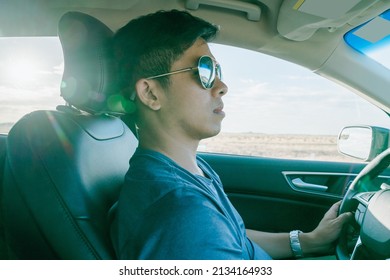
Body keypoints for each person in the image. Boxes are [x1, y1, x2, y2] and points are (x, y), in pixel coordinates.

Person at [111, 9, 352, 260]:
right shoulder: (181, 210)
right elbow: (201, 230)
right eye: (204, 72)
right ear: (150, 93)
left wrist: (307, 242)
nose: (222, 87)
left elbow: (228, 236)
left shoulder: (187, 170)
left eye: (218, 71)